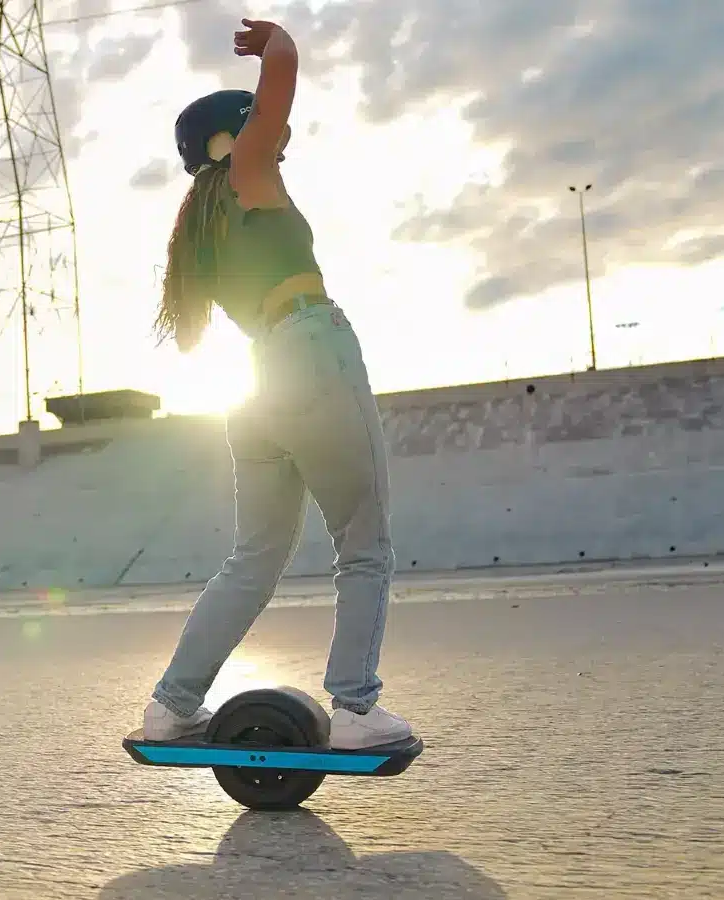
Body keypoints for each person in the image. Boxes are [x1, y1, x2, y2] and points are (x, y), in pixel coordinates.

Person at [140, 18, 412, 751]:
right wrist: (278, 39)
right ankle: (355, 708)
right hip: (312, 354)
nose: (280, 147)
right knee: (363, 543)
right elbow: (280, 89)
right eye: (264, 135)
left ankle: (172, 704)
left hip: (259, 384)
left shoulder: (200, 228)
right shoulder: (248, 176)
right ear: (235, 138)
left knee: (255, 556)